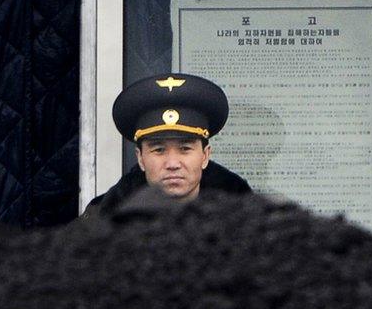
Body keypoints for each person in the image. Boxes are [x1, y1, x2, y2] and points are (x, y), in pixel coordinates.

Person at [85, 72, 251, 216]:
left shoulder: (245, 221)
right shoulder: (102, 221)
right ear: (141, 158)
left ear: (205, 155)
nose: (172, 164)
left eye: (185, 149)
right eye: (159, 150)